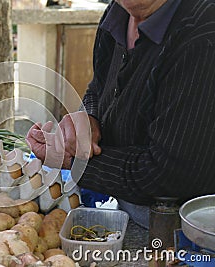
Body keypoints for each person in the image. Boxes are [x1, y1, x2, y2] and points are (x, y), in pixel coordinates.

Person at [26, 0, 215, 228]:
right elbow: (98, 88)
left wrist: (73, 160)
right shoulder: (119, 13)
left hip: (184, 237)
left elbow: (171, 175)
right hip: (123, 209)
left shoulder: (202, 38)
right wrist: (90, 117)